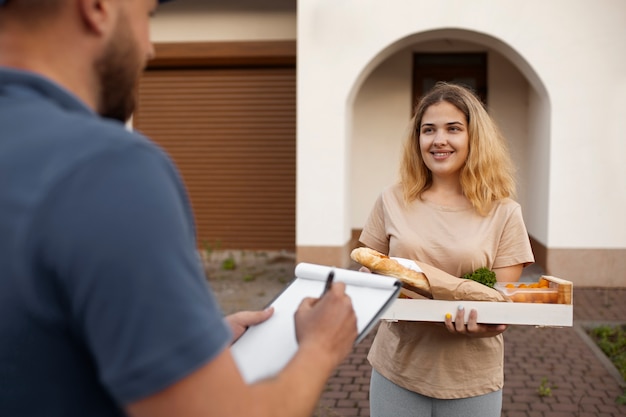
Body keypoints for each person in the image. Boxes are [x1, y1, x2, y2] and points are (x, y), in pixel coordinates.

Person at [0, 1, 357, 417]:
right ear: (97, 8)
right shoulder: (106, 167)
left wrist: (190, 344)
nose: (150, 48)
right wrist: (320, 348)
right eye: (147, 17)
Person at [359, 82, 534, 417]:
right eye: (428, 130)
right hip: (397, 368)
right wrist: (365, 282)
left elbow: (500, 300)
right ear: (417, 140)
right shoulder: (392, 199)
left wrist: (492, 322)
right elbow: (371, 266)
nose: (439, 140)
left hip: (471, 376)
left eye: (453, 129)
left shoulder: (504, 211)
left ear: (474, 137)